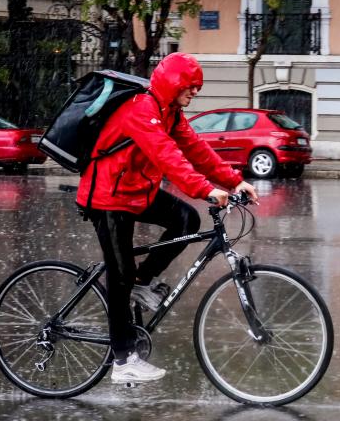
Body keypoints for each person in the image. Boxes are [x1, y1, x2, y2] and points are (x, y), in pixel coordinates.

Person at [75, 52, 258, 384]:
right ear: (174, 84)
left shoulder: (170, 112)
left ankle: (141, 284)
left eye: (196, 89)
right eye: (190, 88)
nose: (194, 94)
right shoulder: (142, 109)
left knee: (186, 221)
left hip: (135, 192)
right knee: (120, 274)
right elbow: (167, 155)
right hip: (108, 196)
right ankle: (123, 359)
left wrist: (234, 181)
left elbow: (196, 150)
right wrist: (204, 189)